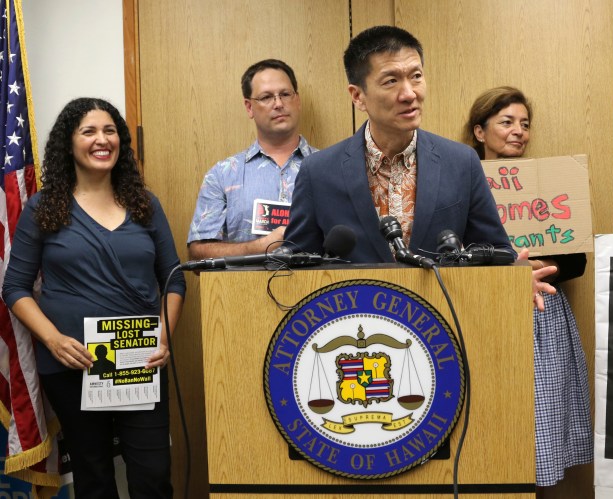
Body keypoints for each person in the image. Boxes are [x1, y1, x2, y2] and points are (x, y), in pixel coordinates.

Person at [2, 97, 185, 498]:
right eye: (89, 131)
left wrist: (165, 336)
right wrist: (53, 339)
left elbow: (174, 280)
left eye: (109, 130)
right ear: (69, 144)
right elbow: (14, 287)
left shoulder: (145, 205)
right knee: (93, 477)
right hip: (72, 365)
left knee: (153, 476)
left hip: (139, 359)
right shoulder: (44, 207)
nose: (102, 140)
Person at [284, 26, 536, 275]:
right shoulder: (317, 172)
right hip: (355, 313)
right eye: (391, 81)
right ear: (358, 96)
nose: (409, 93)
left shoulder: (461, 162)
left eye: (416, 76)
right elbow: (294, 267)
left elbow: (494, 251)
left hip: (439, 313)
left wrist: (516, 281)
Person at [464, 86, 593, 487]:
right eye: (506, 122)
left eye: (524, 124)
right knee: (488, 420)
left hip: (543, 313)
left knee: (544, 428)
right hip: (484, 311)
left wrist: (539, 265)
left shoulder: (551, 185)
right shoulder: (458, 186)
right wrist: (501, 268)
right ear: (480, 132)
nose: (519, 131)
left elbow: (578, 258)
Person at [187, 59, 317, 259]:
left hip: (322, 288)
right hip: (245, 289)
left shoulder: (330, 167)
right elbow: (198, 254)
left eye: (285, 94)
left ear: (297, 100)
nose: (279, 104)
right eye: (266, 97)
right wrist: (262, 247)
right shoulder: (223, 175)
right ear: (249, 107)